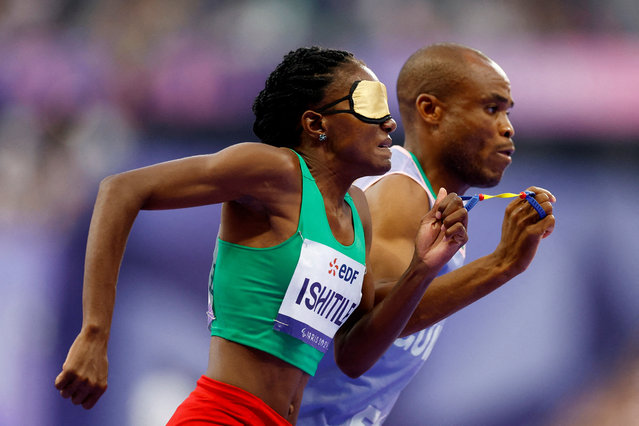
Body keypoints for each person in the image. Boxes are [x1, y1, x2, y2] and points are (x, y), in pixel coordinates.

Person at [54, 46, 469, 425]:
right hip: (223, 415)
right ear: (315, 123)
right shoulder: (276, 173)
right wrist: (94, 333)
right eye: (369, 103)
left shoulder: (357, 211)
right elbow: (121, 190)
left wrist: (422, 269)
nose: (388, 120)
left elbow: (356, 353)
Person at [298, 43, 556, 425]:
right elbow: (362, 332)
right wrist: (502, 263)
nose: (508, 127)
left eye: (507, 111)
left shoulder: (433, 202)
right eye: (491, 108)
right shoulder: (399, 194)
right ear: (430, 110)